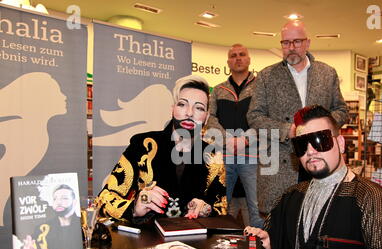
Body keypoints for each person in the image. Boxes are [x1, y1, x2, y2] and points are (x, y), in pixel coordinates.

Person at [245, 105, 382, 249]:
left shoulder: (370, 198)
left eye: (320, 140)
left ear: (340, 143)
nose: (310, 151)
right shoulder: (292, 196)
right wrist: (269, 243)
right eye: (301, 145)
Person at [246, 20, 349, 216]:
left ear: (308, 43)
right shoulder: (267, 76)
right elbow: (254, 116)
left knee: (320, 219)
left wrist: (320, 129)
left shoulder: (327, 73)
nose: (291, 48)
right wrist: (288, 130)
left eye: (297, 41)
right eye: (286, 43)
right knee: (279, 224)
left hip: (320, 157)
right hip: (280, 163)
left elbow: (341, 110)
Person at [96, 75, 227, 223]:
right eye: (182, 104)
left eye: (199, 108)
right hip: (145, 239)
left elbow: (221, 206)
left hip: (194, 240)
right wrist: (135, 207)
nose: (189, 113)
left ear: (207, 116)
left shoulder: (213, 156)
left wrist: (205, 208)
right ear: (172, 109)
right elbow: (104, 199)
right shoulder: (143, 145)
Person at [206, 43, 263, 228]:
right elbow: (210, 118)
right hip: (224, 156)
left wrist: (246, 139)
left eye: (242, 54)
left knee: (256, 206)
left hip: (252, 157)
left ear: (249, 59)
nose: (238, 58)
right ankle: (217, 244)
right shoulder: (218, 90)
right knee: (222, 203)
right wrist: (227, 140)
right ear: (228, 62)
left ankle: (261, 247)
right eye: (233, 55)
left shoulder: (261, 88)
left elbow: (264, 119)